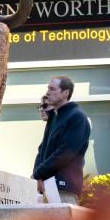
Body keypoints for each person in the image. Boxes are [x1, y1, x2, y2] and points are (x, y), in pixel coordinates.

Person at [32, 76, 91, 205]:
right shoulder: (54, 118)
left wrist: (38, 173)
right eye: (48, 88)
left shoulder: (77, 117)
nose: (48, 92)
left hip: (64, 189)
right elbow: (42, 151)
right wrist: (38, 176)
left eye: (52, 89)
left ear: (65, 93)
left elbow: (65, 153)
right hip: (47, 188)